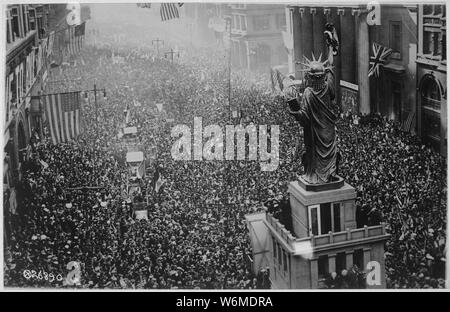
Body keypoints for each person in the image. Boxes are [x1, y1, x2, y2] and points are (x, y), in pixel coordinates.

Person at [285, 36, 338, 184]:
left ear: (310, 77)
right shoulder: (328, 87)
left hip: (315, 134)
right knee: (329, 154)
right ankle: (330, 173)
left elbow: (305, 119)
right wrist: (330, 49)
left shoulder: (308, 92)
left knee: (315, 156)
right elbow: (330, 67)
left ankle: (318, 175)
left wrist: (294, 109)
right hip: (328, 131)